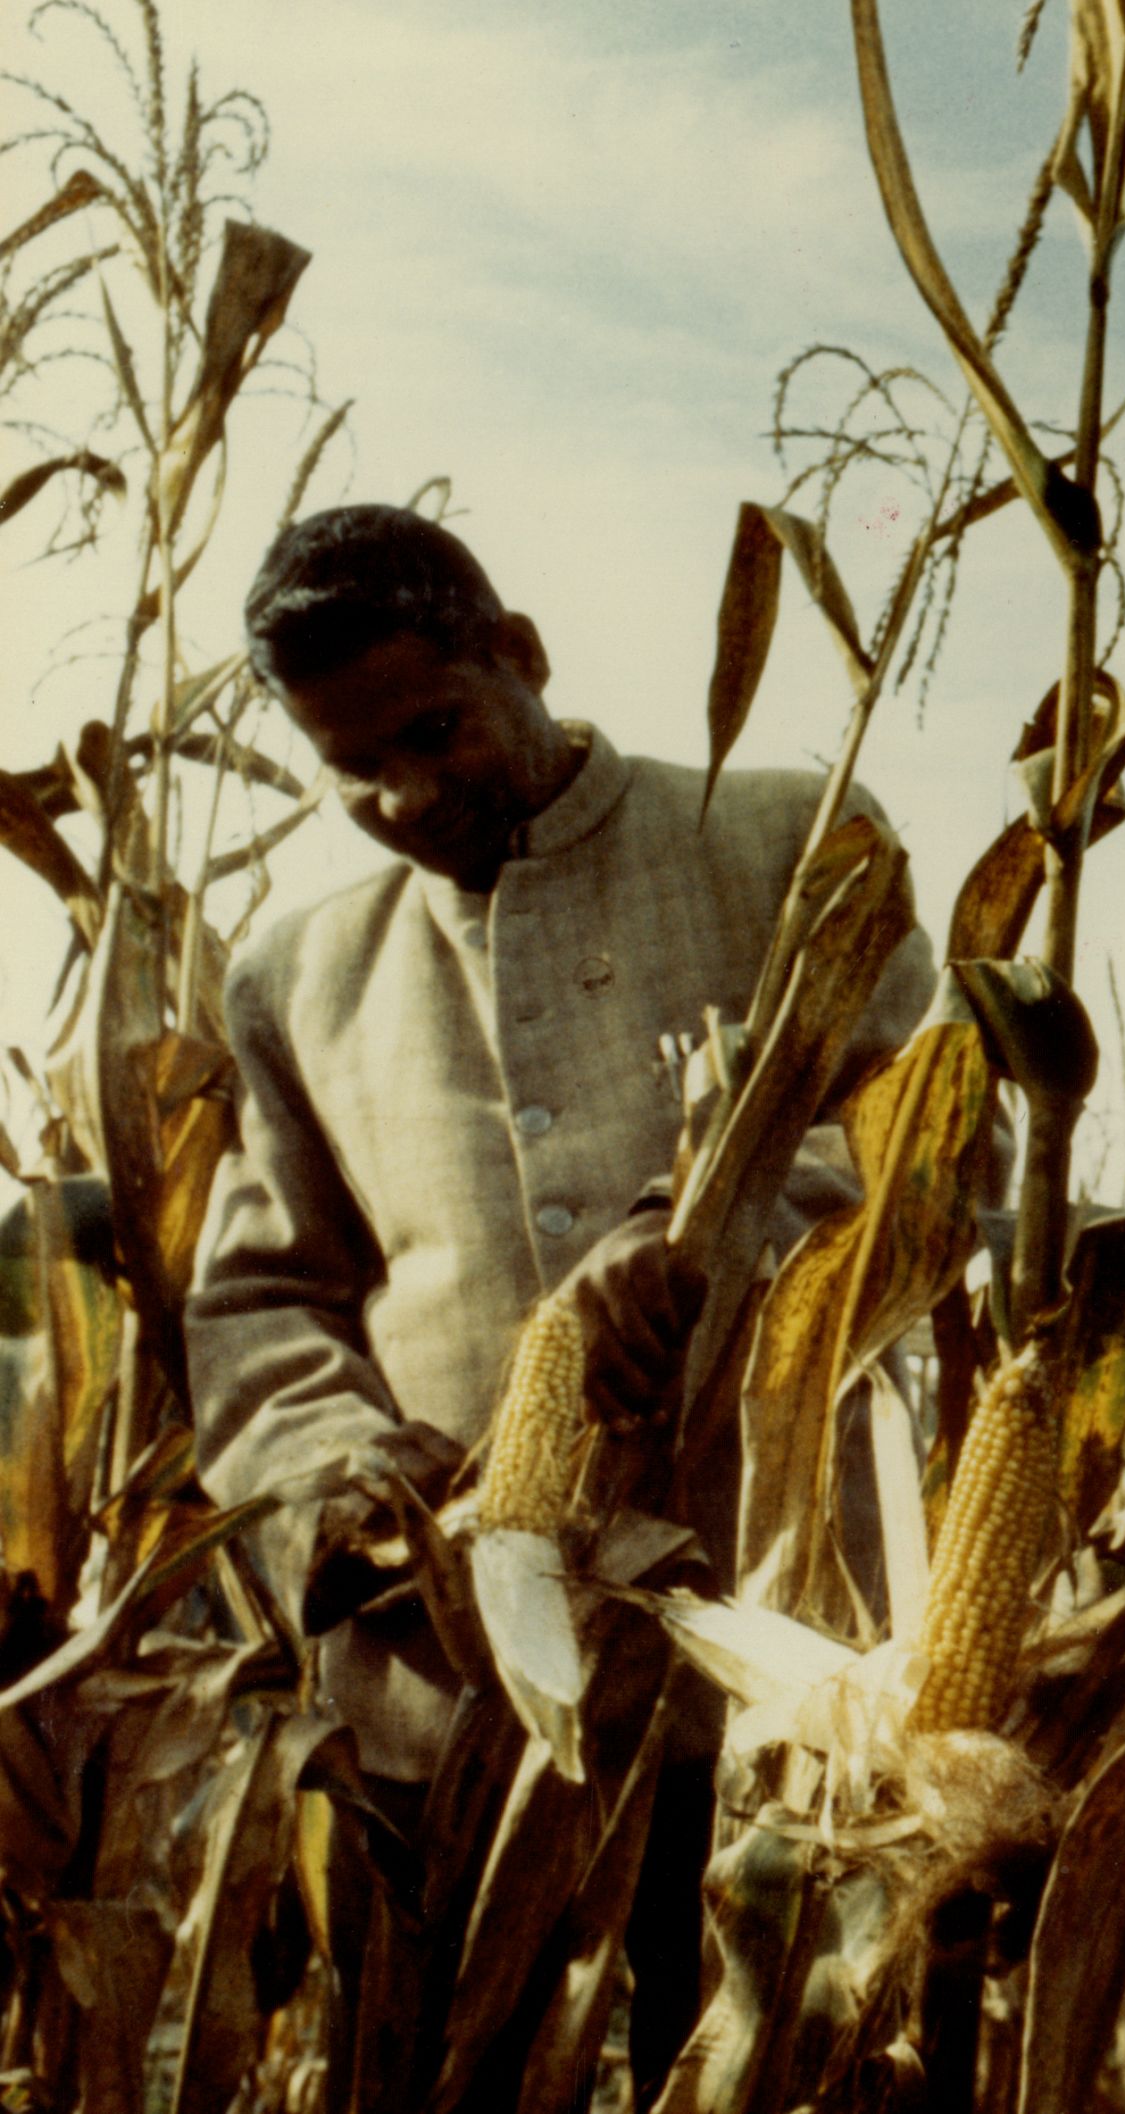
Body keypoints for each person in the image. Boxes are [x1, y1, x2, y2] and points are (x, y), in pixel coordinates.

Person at [187, 504, 936, 2096]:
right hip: (449, 1702)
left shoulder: (790, 840)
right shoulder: (293, 979)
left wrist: (701, 1231)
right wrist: (343, 1482)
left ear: (520, 656)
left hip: (776, 1669)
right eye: (355, 768)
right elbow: (260, 1304)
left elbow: (920, 1143)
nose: (406, 793)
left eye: (435, 730)